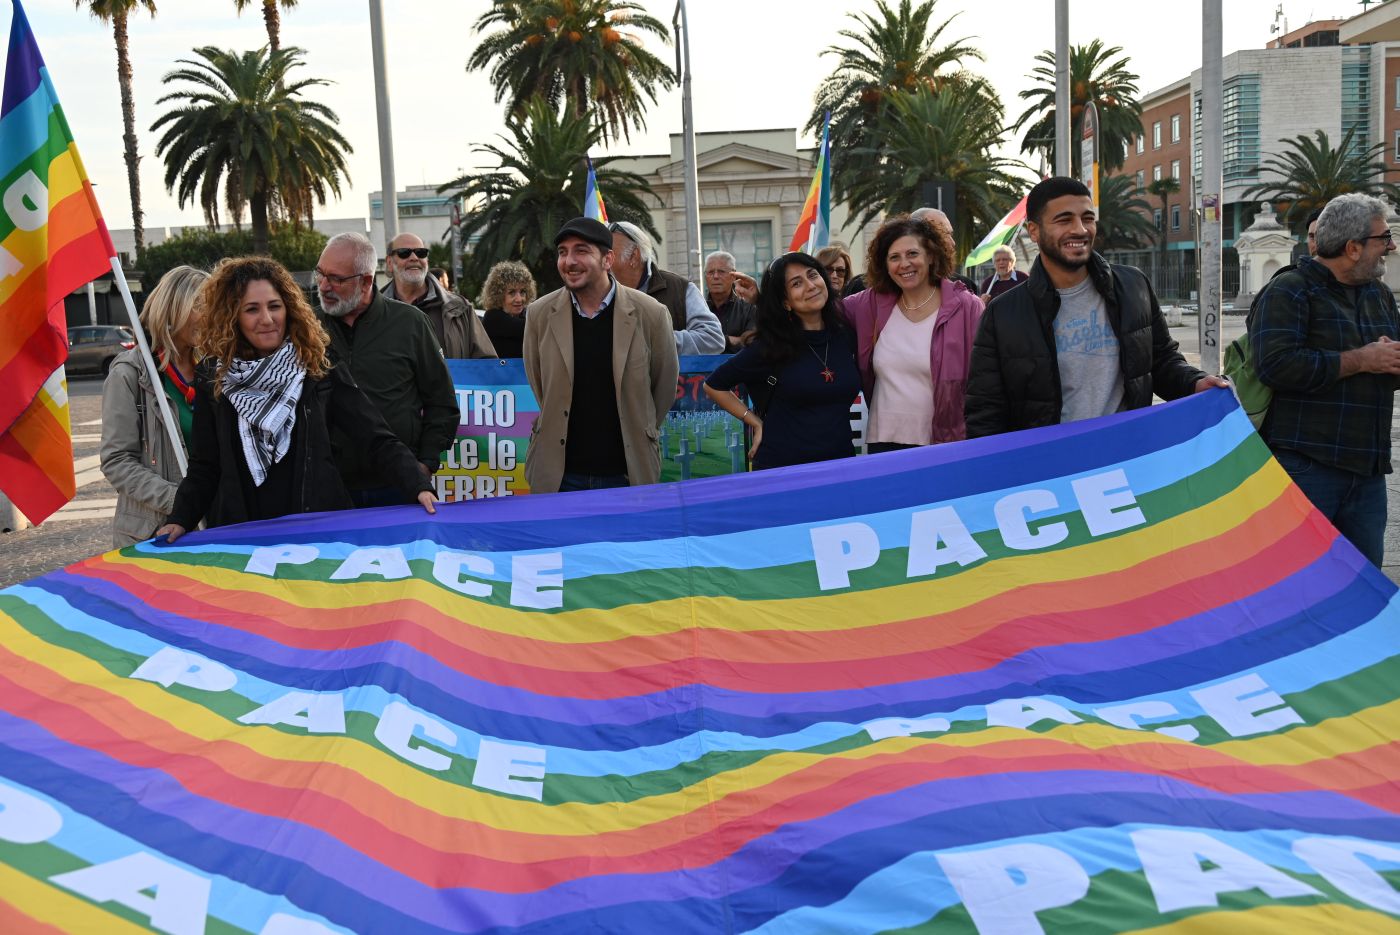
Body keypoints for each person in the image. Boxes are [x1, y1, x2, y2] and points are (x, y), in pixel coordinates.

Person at [155, 257, 435, 542]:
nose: (267, 319)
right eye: (252, 309)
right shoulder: (213, 377)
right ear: (232, 316)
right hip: (244, 536)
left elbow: (374, 436)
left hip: (316, 534)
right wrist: (180, 519)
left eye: (274, 306)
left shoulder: (318, 366)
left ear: (289, 308)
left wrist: (418, 486)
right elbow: (205, 465)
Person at [965, 177, 1225, 438]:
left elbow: (1162, 361)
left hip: (1128, 450)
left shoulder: (1134, 287)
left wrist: (1194, 382)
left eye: (1087, 218)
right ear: (1034, 231)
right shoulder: (1002, 314)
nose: (1080, 229)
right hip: (1048, 459)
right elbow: (985, 412)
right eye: (1064, 220)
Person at [1251, 193, 1400, 568]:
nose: (1391, 246)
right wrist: (1361, 359)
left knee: (1363, 583)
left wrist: (1388, 361)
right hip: (1308, 469)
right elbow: (1277, 366)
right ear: (1353, 248)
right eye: (1384, 238)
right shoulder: (1289, 290)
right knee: (1300, 581)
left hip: (1368, 473)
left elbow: (1385, 366)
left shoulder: (1379, 295)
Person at [523, 217, 679, 493]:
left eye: (581, 251)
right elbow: (539, 384)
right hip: (559, 477)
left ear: (608, 259)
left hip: (627, 474)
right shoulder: (539, 314)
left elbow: (663, 387)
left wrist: (639, 430)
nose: (569, 261)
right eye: (562, 252)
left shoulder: (651, 314)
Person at [315, 231, 460, 507]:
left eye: (336, 279)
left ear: (366, 281)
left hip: (398, 486)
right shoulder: (308, 328)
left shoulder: (410, 323)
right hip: (329, 487)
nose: (323, 286)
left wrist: (425, 464)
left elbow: (441, 402)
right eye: (320, 274)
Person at [703, 253, 860, 470]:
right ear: (785, 302)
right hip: (784, 469)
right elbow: (713, 385)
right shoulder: (769, 346)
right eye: (796, 283)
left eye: (812, 275)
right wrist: (754, 421)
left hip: (841, 466)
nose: (810, 286)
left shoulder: (846, 336)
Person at [844, 215, 984, 451]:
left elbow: (984, 381)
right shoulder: (869, 304)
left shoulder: (967, 307)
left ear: (931, 256)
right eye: (894, 257)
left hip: (944, 443)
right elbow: (822, 311)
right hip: (884, 442)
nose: (904, 264)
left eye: (912, 254)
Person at [100, 265, 209, 547]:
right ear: (173, 309)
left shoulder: (213, 370)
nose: (210, 316)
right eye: (200, 306)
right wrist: (183, 501)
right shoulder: (129, 374)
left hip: (213, 526)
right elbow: (117, 461)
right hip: (154, 533)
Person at [609, 220, 725, 355]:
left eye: (609, 255)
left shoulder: (680, 289)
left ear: (634, 256)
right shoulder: (599, 295)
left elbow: (713, 339)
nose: (603, 262)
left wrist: (655, 340)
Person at [382, 232, 496, 359]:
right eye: (404, 253)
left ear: (426, 260)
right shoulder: (374, 311)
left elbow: (486, 363)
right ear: (389, 262)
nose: (414, 258)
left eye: (421, 253)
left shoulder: (460, 308)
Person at [911, 207, 980, 294]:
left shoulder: (965, 286)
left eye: (950, 234)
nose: (952, 243)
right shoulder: (897, 287)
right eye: (943, 234)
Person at [480, 260, 537, 359]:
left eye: (522, 292)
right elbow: (530, 329)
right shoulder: (492, 317)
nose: (519, 299)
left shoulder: (525, 315)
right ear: (498, 295)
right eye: (512, 293)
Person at [703, 250, 756, 350]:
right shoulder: (698, 309)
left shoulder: (748, 309)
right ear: (705, 277)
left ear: (734, 276)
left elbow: (753, 343)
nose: (715, 276)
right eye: (711, 272)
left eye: (721, 272)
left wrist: (723, 341)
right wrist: (732, 340)